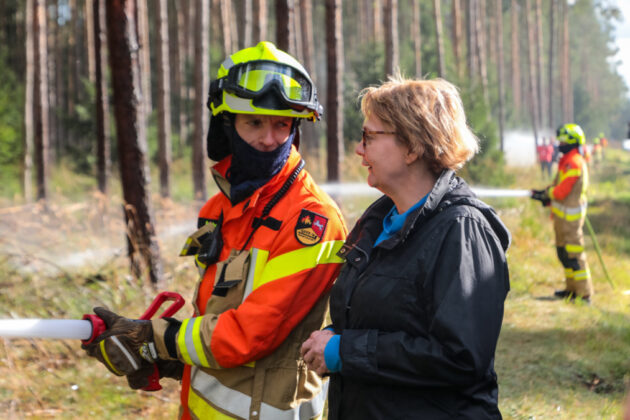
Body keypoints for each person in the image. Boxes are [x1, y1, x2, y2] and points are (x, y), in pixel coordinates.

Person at [83, 41, 348, 420]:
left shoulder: (313, 220)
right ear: (226, 125)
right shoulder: (219, 209)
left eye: (282, 123)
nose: (270, 139)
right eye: (254, 122)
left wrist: (157, 338)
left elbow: (248, 335)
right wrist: (159, 358)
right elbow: (214, 325)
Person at [301, 75, 511, 419]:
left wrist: (345, 351)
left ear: (412, 146)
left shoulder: (462, 230)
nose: (358, 148)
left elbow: (461, 357)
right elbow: (390, 318)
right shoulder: (377, 222)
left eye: (369, 136)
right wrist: (336, 336)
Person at [531, 123, 593, 302]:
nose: (559, 144)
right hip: (562, 219)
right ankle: (571, 289)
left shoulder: (573, 162)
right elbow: (557, 187)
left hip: (570, 221)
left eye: (562, 140)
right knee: (564, 254)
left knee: (575, 256)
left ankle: (584, 294)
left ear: (572, 142)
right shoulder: (567, 161)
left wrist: (547, 194)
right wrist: (543, 193)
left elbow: (561, 191)